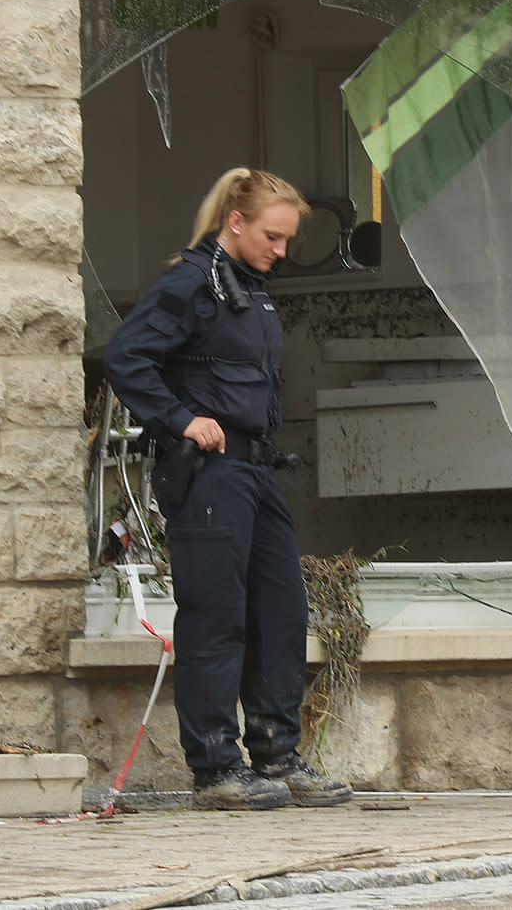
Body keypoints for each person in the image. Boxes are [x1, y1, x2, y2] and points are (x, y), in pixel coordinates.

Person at [103, 168, 353, 811]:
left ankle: (277, 753)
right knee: (216, 617)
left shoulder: (249, 286)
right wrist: (181, 418)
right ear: (235, 222)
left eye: (287, 239)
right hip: (209, 473)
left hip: (256, 471)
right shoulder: (192, 281)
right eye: (273, 236)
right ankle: (215, 767)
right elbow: (126, 355)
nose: (282, 250)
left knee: (280, 611)